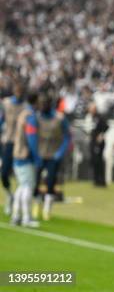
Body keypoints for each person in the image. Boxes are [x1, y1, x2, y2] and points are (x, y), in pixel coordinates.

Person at [33, 93, 71, 221]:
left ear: (50, 104)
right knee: (35, 181)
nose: (42, 106)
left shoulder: (60, 118)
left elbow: (67, 136)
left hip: (53, 154)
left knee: (51, 182)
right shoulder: (37, 117)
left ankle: (47, 209)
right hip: (40, 153)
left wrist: (60, 152)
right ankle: (37, 204)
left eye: (45, 104)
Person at [10, 92, 41, 227]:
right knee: (28, 185)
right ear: (36, 102)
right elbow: (31, 137)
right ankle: (26, 218)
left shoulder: (22, 113)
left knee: (22, 186)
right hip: (25, 154)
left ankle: (16, 215)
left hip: (17, 152)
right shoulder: (30, 116)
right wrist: (36, 156)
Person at [1, 82, 25, 215]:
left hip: (21, 144)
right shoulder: (6, 103)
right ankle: (10, 195)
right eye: (17, 91)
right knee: (4, 173)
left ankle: (18, 202)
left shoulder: (25, 107)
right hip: (9, 142)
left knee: (21, 175)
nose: (18, 94)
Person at [88, 103, 108, 187]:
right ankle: (96, 180)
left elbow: (107, 126)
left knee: (99, 161)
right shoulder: (91, 118)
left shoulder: (100, 117)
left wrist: (101, 135)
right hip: (93, 142)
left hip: (98, 143)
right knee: (94, 161)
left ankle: (102, 181)